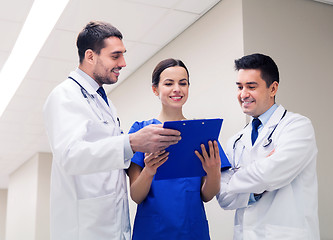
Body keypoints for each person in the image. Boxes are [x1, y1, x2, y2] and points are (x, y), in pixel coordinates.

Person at [43, 21, 181, 240]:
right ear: (90, 56)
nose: (123, 63)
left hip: (111, 223)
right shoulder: (64, 96)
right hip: (84, 228)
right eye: (115, 56)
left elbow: (107, 158)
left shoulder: (103, 101)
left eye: (123, 55)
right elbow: (70, 157)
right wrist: (132, 143)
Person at [217, 53, 319, 239]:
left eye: (251, 86)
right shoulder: (235, 141)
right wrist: (256, 187)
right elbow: (223, 197)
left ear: (273, 89)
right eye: (239, 87)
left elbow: (272, 173)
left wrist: (234, 179)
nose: (243, 94)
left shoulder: (297, 126)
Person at [127, 58, 229, 240]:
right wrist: (149, 170)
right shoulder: (140, 131)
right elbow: (136, 195)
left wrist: (213, 173)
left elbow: (207, 195)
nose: (177, 89)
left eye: (183, 83)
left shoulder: (201, 132)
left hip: (192, 231)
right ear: (155, 89)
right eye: (168, 83)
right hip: (152, 231)